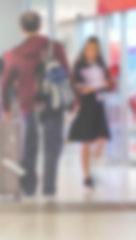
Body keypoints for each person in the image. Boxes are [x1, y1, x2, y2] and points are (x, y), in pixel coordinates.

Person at [1, 11, 71, 199]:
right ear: (39, 26)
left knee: (28, 148)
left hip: (27, 106)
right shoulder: (54, 47)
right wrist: (74, 100)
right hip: (52, 103)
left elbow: (5, 82)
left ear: (22, 29)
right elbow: (67, 72)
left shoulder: (14, 53)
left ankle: (29, 188)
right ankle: (49, 188)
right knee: (52, 147)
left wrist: (6, 107)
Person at [69, 37, 111, 189]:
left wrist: (107, 84)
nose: (93, 52)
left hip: (99, 104)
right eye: (90, 49)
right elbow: (81, 89)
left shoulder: (101, 65)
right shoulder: (79, 65)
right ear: (85, 49)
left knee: (102, 138)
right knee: (86, 141)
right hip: (86, 105)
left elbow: (107, 84)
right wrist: (99, 85)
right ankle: (86, 176)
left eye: (95, 49)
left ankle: (92, 161)